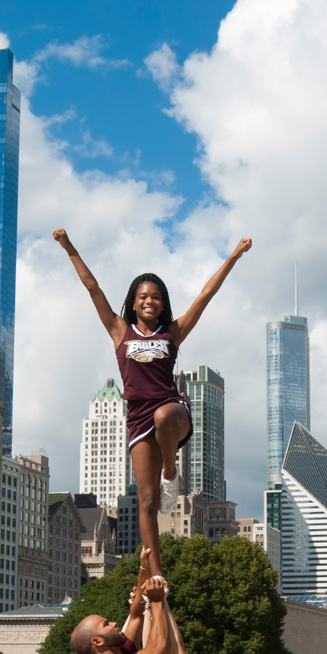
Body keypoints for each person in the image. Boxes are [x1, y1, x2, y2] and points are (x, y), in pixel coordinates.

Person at [52, 229, 252, 571]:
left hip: (173, 412)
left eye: (156, 297)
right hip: (138, 419)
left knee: (163, 417)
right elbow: (92, 287)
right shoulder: (120, 331)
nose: (149, 301)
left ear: (163, 303)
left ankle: (171, 472)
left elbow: (206, 294)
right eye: (143, 296)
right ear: (133, 302)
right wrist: (68, 246)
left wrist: (234, 255)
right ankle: (156, 574)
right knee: (146, 501)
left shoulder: (172, 333)